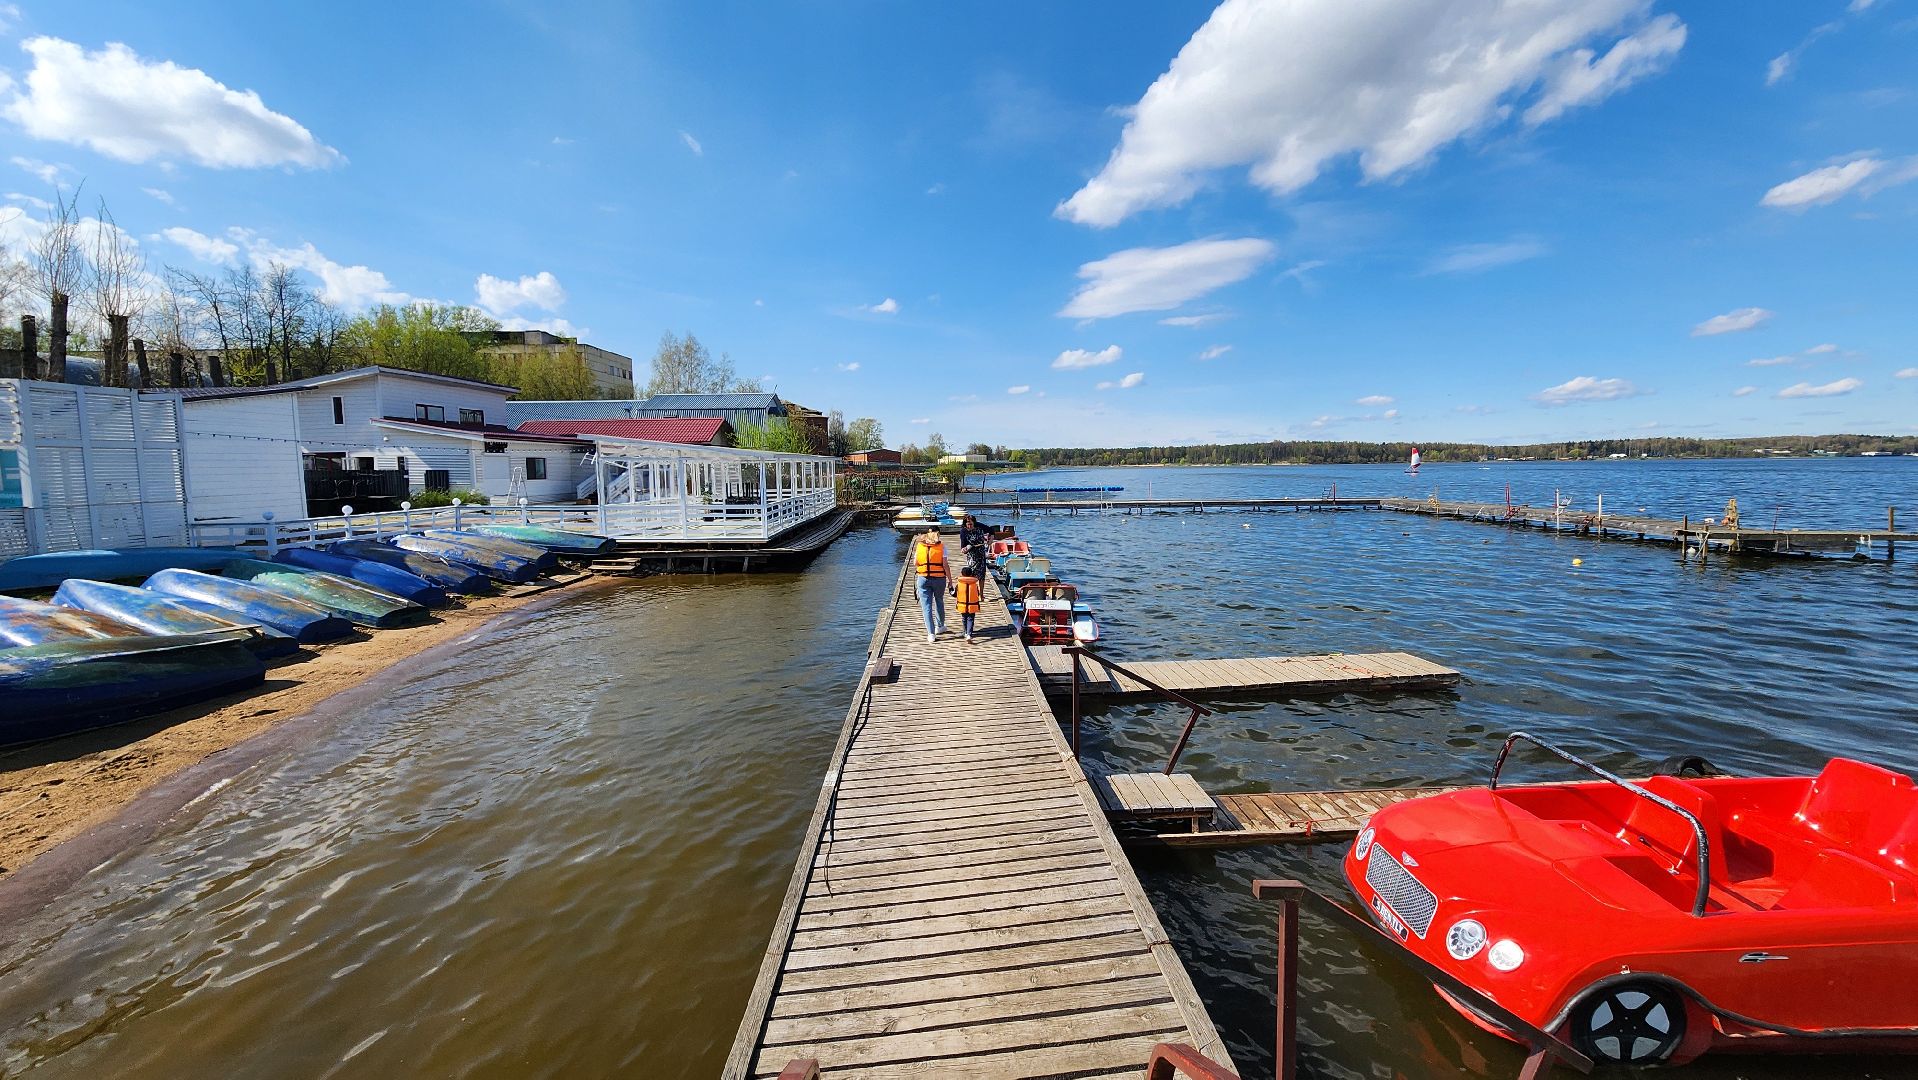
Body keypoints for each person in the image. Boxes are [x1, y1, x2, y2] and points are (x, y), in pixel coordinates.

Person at [911, 526, 948, 643]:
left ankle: (931, 634)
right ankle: (940, 626)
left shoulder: (920, 545)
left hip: (923, 578)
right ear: (938, 534)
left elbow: (915, 563)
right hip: (939, 578)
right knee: (939, 601)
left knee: (926, 607)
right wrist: (950, 579)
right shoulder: (942, 547)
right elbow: (945, 565)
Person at [958, 513, 990, 582]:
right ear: (965, 524)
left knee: (981, 575)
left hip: (981, 555)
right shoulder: (964, 531)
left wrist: (990, 540)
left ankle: (981, 592)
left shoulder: (980, 529)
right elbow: (963, 548)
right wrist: (965, 549)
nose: (969, 526)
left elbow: (991, 530)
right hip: (972, 555)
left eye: (971, 524)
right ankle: (972, 590)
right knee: (971, 573)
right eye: (968, 524)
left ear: (974, 523)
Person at [952, 572, 982, 643]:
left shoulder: (959, 584)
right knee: (970, 619)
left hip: (962, 605)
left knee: (964, 618)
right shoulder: (975, 584)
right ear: (971, 574)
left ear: (962, 574)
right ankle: (969, 634)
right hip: (972, 605)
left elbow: (954, 594)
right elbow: (978, 594)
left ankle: (965, 632)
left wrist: (950, 588)